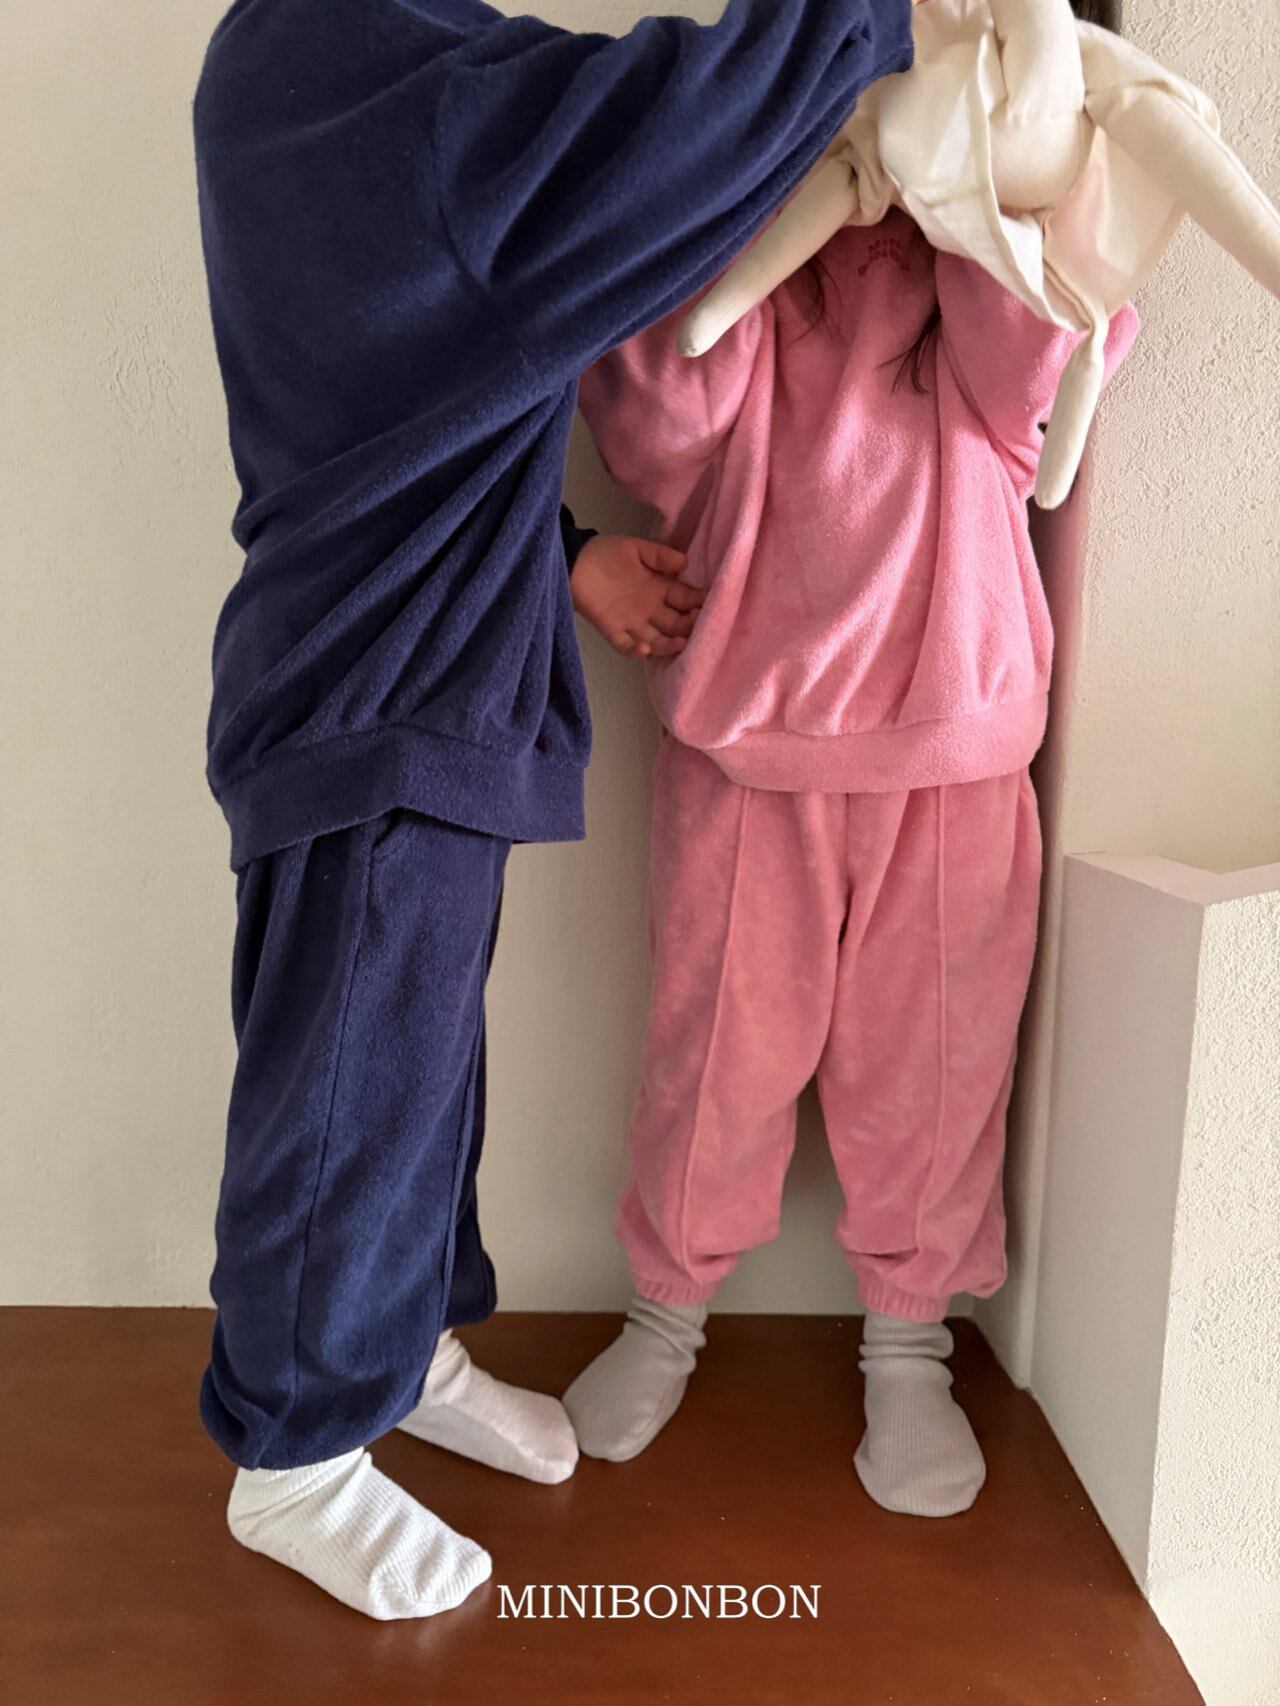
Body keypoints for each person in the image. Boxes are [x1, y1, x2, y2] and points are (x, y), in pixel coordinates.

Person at [193, 0, 915, 1621]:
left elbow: (414, 394)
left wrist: (565, 554)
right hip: (376, 690)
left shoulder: (338, 62)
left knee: (417, 1063)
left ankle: (394, 1351)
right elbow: (656, 144)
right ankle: (294, 1445)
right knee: (349, 1080)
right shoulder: (356, 69)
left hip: (406, 672)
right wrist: (864, 19)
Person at [565, 204, 1137, 1515]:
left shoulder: (980, 262)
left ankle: (909, 1343)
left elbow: (1036, 389)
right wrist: (739, 199)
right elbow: (657, 428)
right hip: (750, 739)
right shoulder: (749, 254)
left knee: (938, 1065)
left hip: (955, 743)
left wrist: (978, 189)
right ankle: (666, 1310)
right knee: (715, 1054)